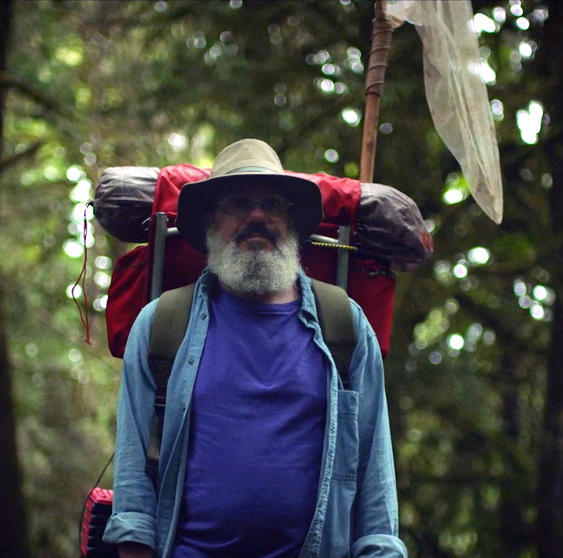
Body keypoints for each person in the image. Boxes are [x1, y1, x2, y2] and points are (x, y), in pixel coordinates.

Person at [102, 138, 406, 558]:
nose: (257, 216)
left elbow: (375, 482)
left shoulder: (345, 324)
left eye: (272, 204)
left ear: (292, 222)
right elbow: (134, 486)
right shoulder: (160, 325)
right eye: (238, 203)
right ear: (211, 221)